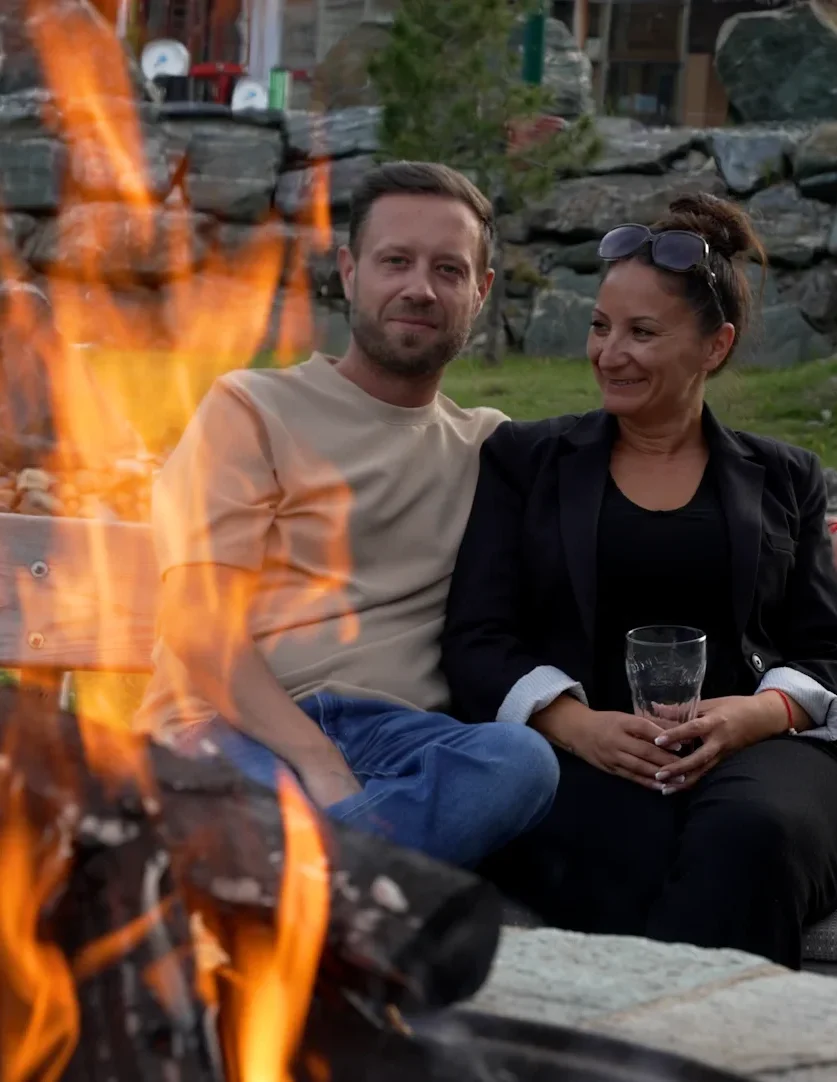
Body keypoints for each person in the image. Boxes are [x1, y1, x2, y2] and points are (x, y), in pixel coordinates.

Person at [441, 192, 837, 967]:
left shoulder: (787, 476)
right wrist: (572, 723)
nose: (607, 352)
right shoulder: (525, 461)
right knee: (631, 848)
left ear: (713, 348)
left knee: (750, 836)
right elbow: (477, 636)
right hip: (581, 752)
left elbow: (825, 648)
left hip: (753, 754)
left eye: (641, 332)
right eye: (600, 326)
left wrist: (756, 715)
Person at [135, 161, 558, 868]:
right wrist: (320, 763)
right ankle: (349, 887)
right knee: (251, 799)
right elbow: (197, 625)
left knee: (520, 761)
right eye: (395, 261)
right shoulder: (252, 408)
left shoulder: (490, 446)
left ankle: (301, 885)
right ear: (349, 270)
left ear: (480, 293)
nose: (419, 288)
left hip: (405, 745)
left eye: (448, 270)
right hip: (236, 726)